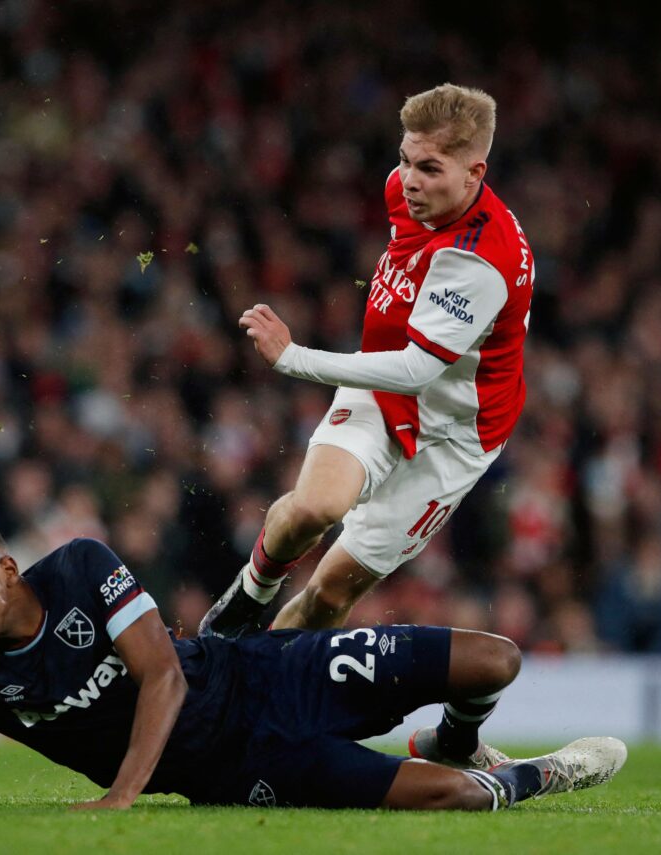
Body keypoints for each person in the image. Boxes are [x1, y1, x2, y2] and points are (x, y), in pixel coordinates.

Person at [0, 524, 625, 813]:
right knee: (456, 797)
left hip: (265, 674)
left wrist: (122, 792)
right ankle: (548, 773)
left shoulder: (77, 566)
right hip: (243, 770)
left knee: (493, 659)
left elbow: (163, 675)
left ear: (4, 568)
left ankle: (454, 736)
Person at [199, 83, 534, 763]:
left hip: (452, 437)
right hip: (380, 390)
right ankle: (247, 596)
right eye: (405, 160)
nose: (410, 181)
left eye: (429, 168)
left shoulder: (480, 261)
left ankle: (261, 709)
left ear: (476, 172)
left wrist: (291, 357)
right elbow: (400, 365)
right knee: (316, 506)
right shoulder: (404, 192)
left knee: (332, 590)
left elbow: (417, 369)